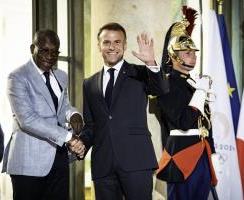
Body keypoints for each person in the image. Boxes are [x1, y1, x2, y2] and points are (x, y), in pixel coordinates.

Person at [80, 22, 169, 200]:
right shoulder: (89, 83)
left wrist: (151, 62)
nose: (112, 47)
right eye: (106, 42)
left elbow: (162, 90)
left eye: (117, 42)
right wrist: (80, 144)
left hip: (136, 160)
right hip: (103, 164)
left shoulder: (141, 73)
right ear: (99, 46)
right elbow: (91, 125)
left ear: (124, 45)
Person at [2, 29, 84, 200]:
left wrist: (73, 114)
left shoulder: (61, 76)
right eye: (44, 50)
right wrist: (68, 137)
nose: (49, 56)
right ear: (33, 48)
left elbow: (63, 107)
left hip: (59, 160)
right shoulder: (17, 77)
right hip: (28, 163)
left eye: (54, 52)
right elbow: (28, 120)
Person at [155, 7, 218, 200]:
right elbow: (183, 121)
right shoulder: (166, 84)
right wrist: (200, 91)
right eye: (188, 52)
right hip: (182, 154)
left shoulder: (191, 82)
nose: (194, 55)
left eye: (194, 52)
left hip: (202, 152)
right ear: (174, 56)